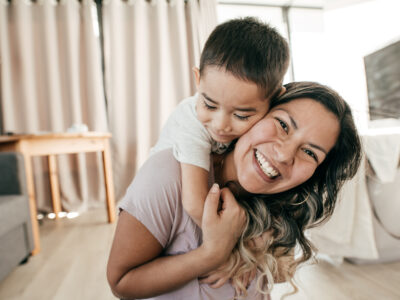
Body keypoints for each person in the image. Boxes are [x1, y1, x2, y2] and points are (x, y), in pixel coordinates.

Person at [107, 81, 362, 299]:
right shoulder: (169, 174)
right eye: (283, 124)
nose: (284, 155)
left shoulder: (280, 207)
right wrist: (211, 255)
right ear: (255, 113)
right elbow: (121, 283)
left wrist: (256, 254)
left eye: (309, 152)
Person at [150, 17, 290, 227]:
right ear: (198, 80)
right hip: (158, 204)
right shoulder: (191, 120)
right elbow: (194, 204)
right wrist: (229, 248)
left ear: (274, 98)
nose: (220, 125)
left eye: (241, 116)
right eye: (209, 105)